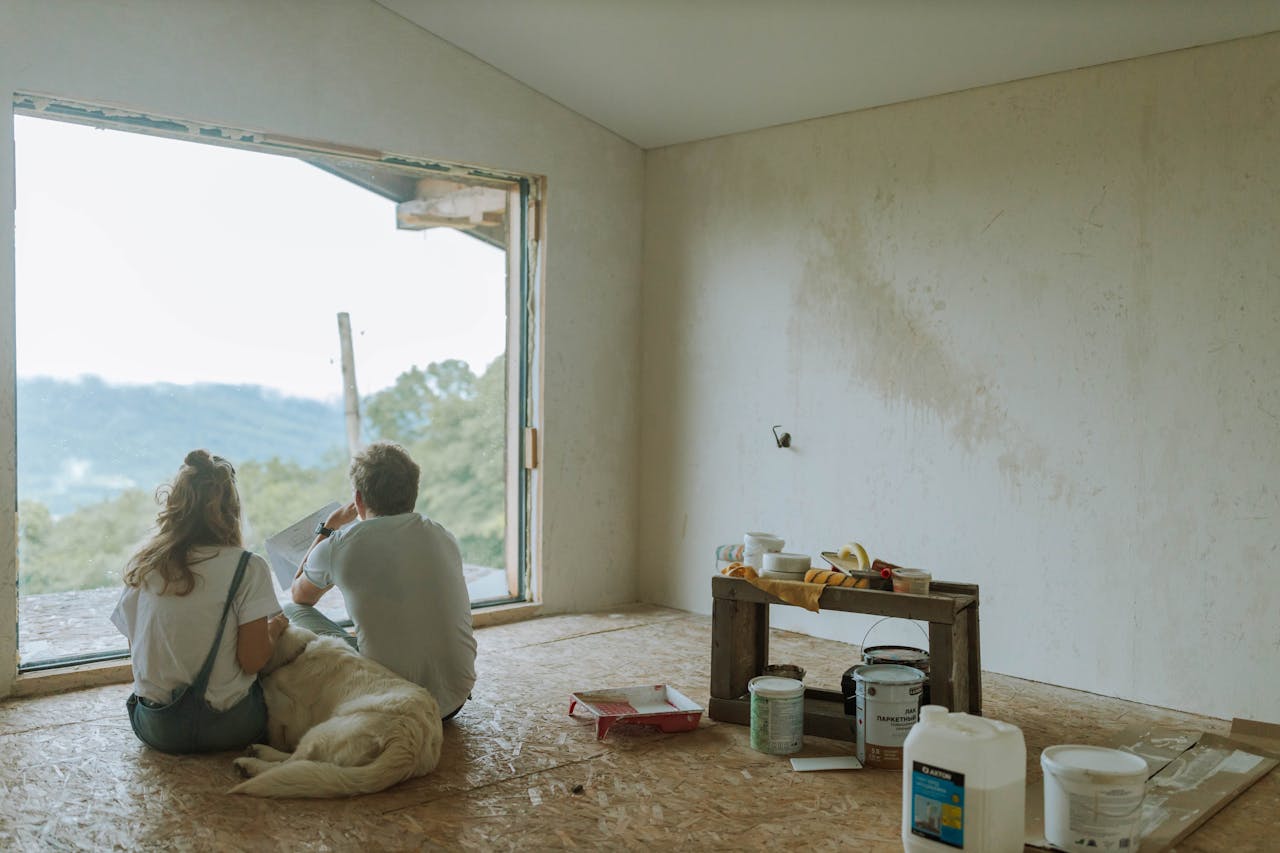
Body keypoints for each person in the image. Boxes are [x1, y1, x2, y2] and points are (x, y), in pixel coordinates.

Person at [110, 450, 288, 753]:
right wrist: (275, 630)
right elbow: (253, 660)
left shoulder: (146, 565)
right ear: (232, 510)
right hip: (229, 729)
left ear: (175, 506)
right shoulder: (247, 567)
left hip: (156, 727)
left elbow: (137, 649)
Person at [286, 440, 476, 721]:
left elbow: (299, 595)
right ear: (413, 492)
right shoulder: (442, 534)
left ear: (359, 499)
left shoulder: (339, 545)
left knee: (291, 612)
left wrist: (328, 527)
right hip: (455, 699)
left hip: (394, 704)